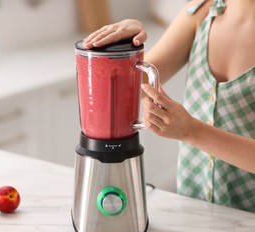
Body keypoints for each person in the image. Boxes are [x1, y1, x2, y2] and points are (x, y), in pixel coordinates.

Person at [83, 0, 255, 212]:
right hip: (196, 210)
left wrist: (191, 131)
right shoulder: (201, 12)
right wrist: (125, 48)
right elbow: (126, 86)